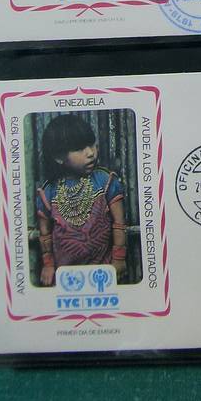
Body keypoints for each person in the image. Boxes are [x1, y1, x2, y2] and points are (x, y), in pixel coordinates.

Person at [35, 115, 126, 287]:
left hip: (103, 272)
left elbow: (119, 222)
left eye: (91, 144)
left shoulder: (105, 181)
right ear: (59, 157)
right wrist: (48, 264)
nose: (90, 153)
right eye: (79, 148)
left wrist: (119, 259)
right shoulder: (49, 192)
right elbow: (45, 231)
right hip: (66, 277)